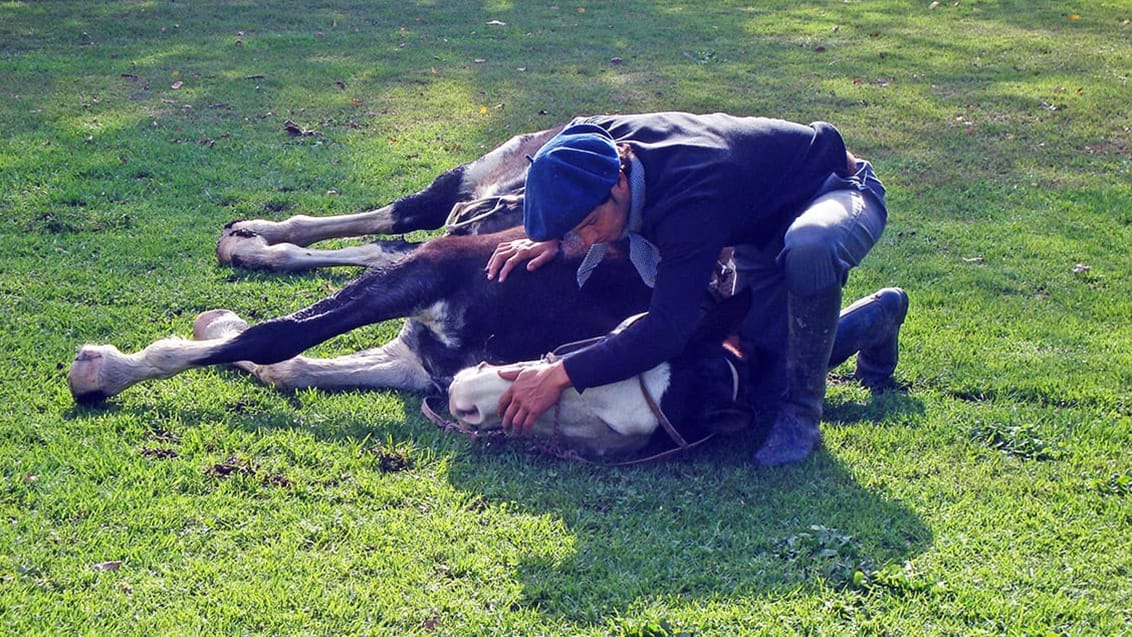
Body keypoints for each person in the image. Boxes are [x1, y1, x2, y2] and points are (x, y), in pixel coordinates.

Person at [485, 112, 901, 466]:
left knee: (811, 249)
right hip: (763, 228)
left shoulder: (690, 205)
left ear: (618, 184)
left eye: (590, 223)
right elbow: (572, 136)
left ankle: (802, 412)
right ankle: (876, 319)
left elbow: (666, 331)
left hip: (839, 192)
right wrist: (554, 228)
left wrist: (559, 375)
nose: (588, 239)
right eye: (577, 230)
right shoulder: (602, 144)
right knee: (762, 385)